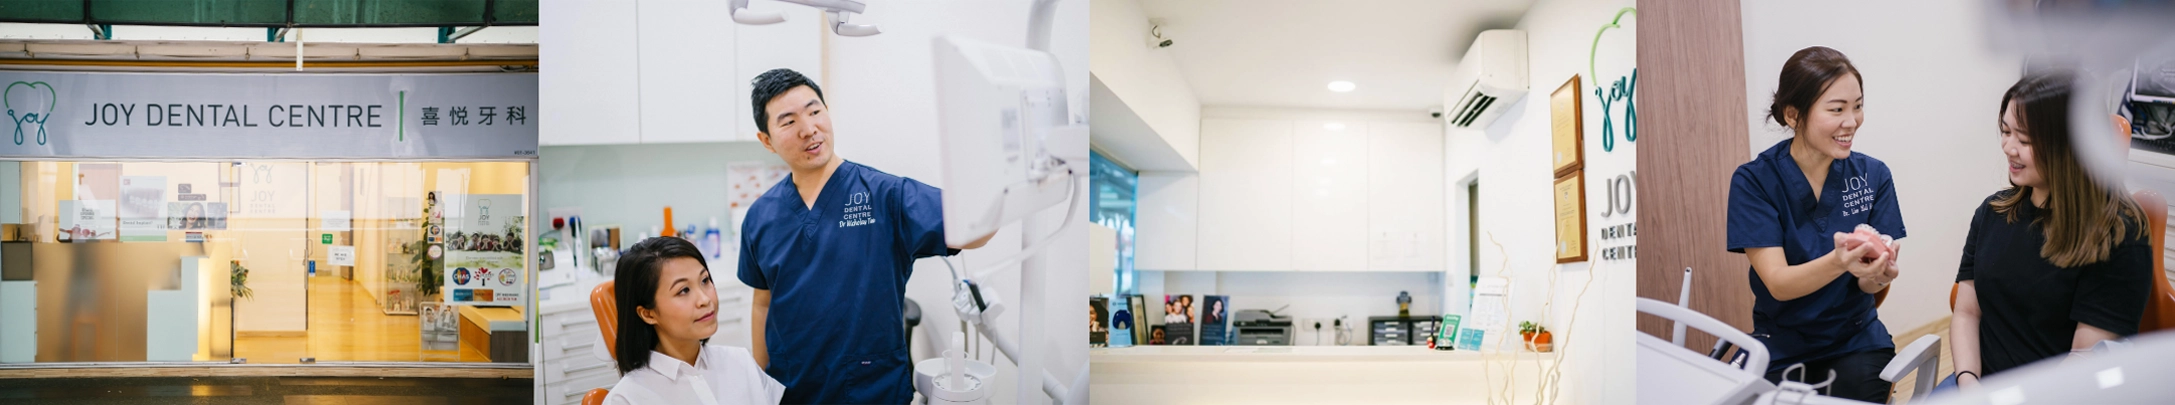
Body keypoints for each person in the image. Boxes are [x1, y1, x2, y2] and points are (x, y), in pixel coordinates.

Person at [737, 68, 996, 404]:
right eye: (788, 122)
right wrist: (760, 382)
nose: (809, 129)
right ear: (767, 140)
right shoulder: (761, 216)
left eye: (815, 111)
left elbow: (978, 229)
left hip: (872, 389)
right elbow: (762, 302)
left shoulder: (886, 195)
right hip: (792, 390)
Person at [1941, 71, 2152, 392]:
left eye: (2024, 140)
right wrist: (1968, 381)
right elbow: (1967, 312)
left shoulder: (2118, 236)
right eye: (2005, 131)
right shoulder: (1992, 213)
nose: (2009, 147)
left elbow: (2083, 359)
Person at [1726, 46, 1903, 403]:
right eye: (1837, 109)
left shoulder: (1873, 175)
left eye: (1857, 106)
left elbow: (1870, 287)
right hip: (1779, 342)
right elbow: (1777, 283)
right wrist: (1840, 261)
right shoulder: (1755, 181)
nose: (1851, 121)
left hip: (1855, 339)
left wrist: (1878, 274)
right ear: (1793, 115)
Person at [605, 237, 784, 405]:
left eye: (705, 280)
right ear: (648, 314)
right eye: (683, 290)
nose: (704, 299)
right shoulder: (627, 399)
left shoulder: (740, 362)